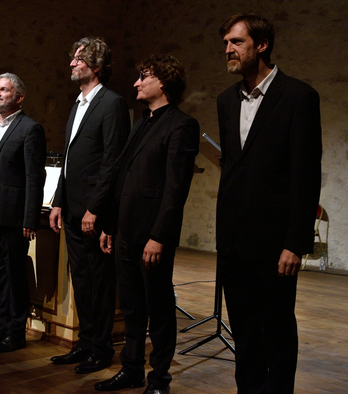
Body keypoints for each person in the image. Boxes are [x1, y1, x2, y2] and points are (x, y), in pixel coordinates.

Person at [216, 13, 322, 393]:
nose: (228, 49)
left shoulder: (298, 97)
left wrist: (295, 242)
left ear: (261, 45)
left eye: (237, 42)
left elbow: (306, 176)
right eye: (226, 42)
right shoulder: (226, 100)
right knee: (244, 334)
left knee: (276, 333)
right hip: (233, 243)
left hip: (275, 244)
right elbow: (234, 170)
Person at [95, 55, 200, 394]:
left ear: (164, 83)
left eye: (144, 77)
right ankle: (132, 369)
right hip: (125, 230)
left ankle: (159, 379)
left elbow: (174, 188)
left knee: (158, 306)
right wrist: (110, 225)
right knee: (131, 306)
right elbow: (121, 177)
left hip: (151, 234)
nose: (137, 83)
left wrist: (158, 236)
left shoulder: (181, 125)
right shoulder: (141, 123)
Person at [49, 37, 130, 373]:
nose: (72, 64)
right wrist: (57, 201)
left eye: (78, 59)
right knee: (79, 277)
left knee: (99, 280)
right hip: (71, 206)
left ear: (96, 66)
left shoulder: (112, 103)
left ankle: (101, 347)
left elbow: (113, 160)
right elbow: (69, 159)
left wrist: (95, 208)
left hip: (92, 210)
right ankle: (85, 342)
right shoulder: (77, 104)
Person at [0, 73, 46, 353]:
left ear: (19, 97)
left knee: (15, 277)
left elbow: (33, 177)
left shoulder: (30, 128)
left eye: (4, 90)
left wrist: (30, 218)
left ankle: (16, 333)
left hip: (14, 218)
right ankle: (2, 328)